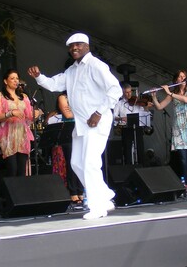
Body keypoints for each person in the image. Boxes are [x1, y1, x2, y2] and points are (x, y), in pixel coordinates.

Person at [28, 33, 122, 220]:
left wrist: (98, 112)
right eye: (71, 46)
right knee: (76, 163)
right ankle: (104, 194)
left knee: (89, 163)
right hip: (80, 125)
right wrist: (39, 77)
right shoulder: (72, 70)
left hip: (97, 121)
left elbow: (115, 89)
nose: (74, 48)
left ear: (87, 46)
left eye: (78, 44)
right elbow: (54, 84)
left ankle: (97, 206)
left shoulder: (96, 66)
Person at [150, 70, 187, 187]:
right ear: (176, 80)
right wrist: (154, 97)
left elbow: (186, 100)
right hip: (180, 128)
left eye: (184, 77)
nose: (182, 79)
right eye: (180, 77)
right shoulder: (172, 95)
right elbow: (160, 107)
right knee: (183, 159)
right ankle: (186, 183)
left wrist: (170, 93)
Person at [0, 69, 34, 177]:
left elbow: (29, 117)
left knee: (21, 169)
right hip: (7, 135)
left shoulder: (24, 97)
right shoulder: (0, 96)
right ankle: (10, 193)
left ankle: (22, 193)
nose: (15, 81)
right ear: (5, 81)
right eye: (12, 78)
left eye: (17, 78)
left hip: (22, 134)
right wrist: (10, 113)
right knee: (12, 168)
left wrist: (35, 113)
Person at [55, 92, 84, 206]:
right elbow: (67, 115)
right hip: (69, 130)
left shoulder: (79, 94)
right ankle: (73, 191)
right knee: (72, 161)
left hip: (81, 128)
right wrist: (82, 113)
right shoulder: (63, 97)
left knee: (81, 161)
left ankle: (80, 189)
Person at [113, 83, 152, 165]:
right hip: (126, 128)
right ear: (122, 92)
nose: (129, 94)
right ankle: (128, 165)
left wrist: (146, 107)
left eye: (130, 92)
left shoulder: (137, 101)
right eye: (126, 92)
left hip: (138, 127)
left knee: (140, 147)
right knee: (127, 149)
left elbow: (144, 113)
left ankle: (141, 165)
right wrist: (122, 118)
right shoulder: (119, 103)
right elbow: (114, 117)